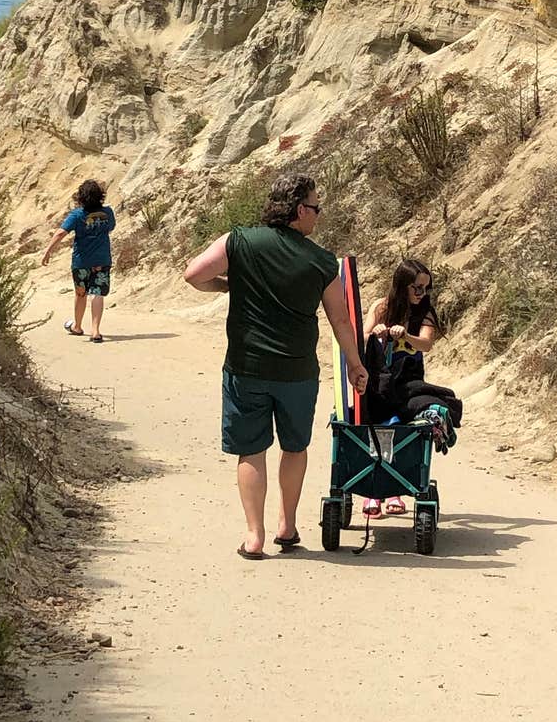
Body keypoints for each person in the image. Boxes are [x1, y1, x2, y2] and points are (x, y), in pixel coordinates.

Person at [183, 172, 368, 560]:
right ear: (300, 210)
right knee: (294, 447)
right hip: (298, 372)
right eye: (316, 207)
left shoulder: (239, 241)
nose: (318, 215)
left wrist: (227, 285)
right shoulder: (321, 262)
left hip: (245, 367)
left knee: (251, 451)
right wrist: (354, 363)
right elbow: (340, 320)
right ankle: (287, 524)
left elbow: (194, 274)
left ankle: (254, 536)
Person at [361, 258, 443, 516]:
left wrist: (406, 335)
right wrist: (377, 332)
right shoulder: (381, 307)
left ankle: (394, 488)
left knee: (399, 426)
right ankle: (372, 492)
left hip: (408, 378)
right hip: (379, 376)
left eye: (426, 288)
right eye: (417, 287)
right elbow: (360, 336)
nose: (422, 293)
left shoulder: (425, 313)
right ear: (402, 285)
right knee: (374, 424)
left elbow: (426, 344)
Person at [41, 178, 116, 342]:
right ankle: (96, 331)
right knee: (97, 294)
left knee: (80, 293)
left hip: (81, 261)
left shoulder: (77, 215)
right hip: (102, 260)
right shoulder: (108, 213)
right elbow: (110, 228)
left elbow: (60, 233)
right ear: (100, 196)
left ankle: (77, 326)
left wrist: (48, 251)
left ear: (81, 198)